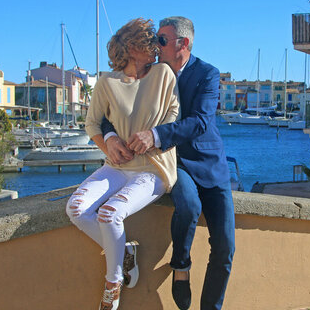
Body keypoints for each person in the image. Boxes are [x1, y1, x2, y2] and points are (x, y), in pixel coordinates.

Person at [103, 16, 235, 310]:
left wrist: (155, 135)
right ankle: (181, 266)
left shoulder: (207, 74)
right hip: (174, 162)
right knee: (188, 206)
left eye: (161, 40)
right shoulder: (148, 72)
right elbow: (109, 106)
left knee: (225, 248)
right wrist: (111, 136)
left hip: (211, 165)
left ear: (183, 44)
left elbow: (200, 122)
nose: (156, 45)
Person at [66, 18, 179, 310]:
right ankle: (124, 250)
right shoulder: (107, 82)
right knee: (76, 208)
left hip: (153, 169)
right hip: (117, 168)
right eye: (149, 42)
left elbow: (173, 116)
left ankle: (113, 284)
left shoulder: (163, 74)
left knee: (110, 214)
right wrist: (110, 143)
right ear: (132, 47)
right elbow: (92, 123)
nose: (156, 48)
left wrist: (153, 138)